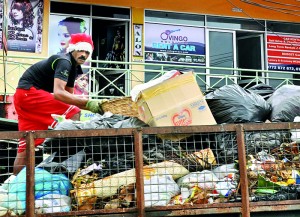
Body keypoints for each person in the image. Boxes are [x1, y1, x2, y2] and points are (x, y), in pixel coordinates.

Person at [13, 33, 104, 175]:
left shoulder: (74, 67)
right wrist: (89, 103)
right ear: (73, 49)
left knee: (26, 144)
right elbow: (59, 94)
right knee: (74, 112)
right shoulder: (64, 61)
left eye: (87, 52)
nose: (84, 55)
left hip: (23, 97)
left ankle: (13, 182)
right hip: (29, 94)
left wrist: (99, 107)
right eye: (81, 50)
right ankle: (67, 151)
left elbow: (69, 97)